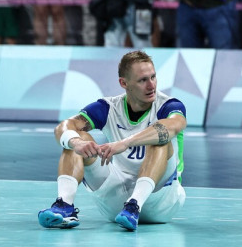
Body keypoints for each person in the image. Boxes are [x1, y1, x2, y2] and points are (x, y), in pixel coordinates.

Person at [37, 50, 187, 231]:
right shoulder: (108, 108)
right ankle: (64, 207)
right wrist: (76, 143)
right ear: (124, 83)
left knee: (159, 138)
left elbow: (173, 126)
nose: (151, 85)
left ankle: (135, 204)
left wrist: (125, 143)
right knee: (76, 139)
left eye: (153, 77)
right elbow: (63, 126)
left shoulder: (169, 106)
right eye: (142, 80)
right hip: (117, 200)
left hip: (161, 201)